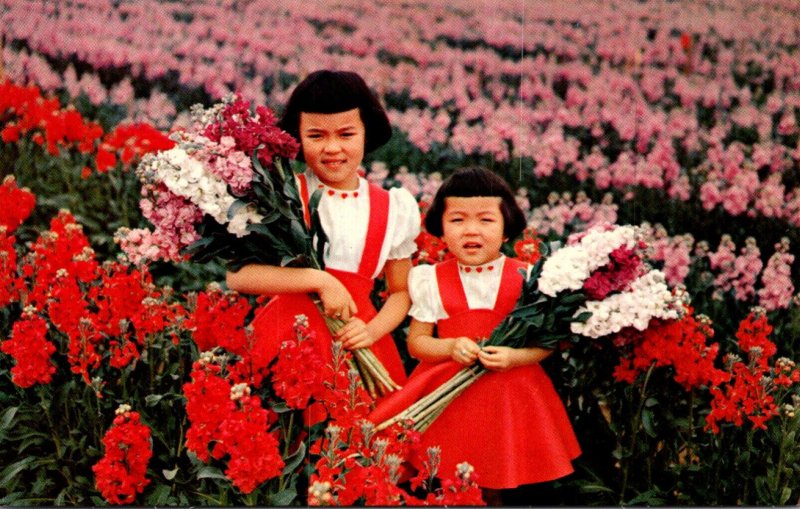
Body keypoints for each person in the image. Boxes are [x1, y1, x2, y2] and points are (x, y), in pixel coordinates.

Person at [368, 167, 580, 504]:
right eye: (457, 220)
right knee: (444, 475)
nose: (471, 231)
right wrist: (450, 346)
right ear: (440, 227)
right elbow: (417, 342)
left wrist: (515, 357)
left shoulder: (527, 276)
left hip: (511, 392)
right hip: (449, 397)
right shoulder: (430, 279)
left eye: (485, 220)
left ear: (506, 226)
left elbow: (547, 344)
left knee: (501, 471)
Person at [226, 70, 419, 390]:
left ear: (366, 133)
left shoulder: (393, 208)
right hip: (286, 337)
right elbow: (239, 276)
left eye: (346, 135)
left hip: (356, 338)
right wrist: (319, 280)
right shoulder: (282, 196)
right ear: (297, 137)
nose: (332, 148)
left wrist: (373, 331)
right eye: (316, 136)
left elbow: (401, 291)